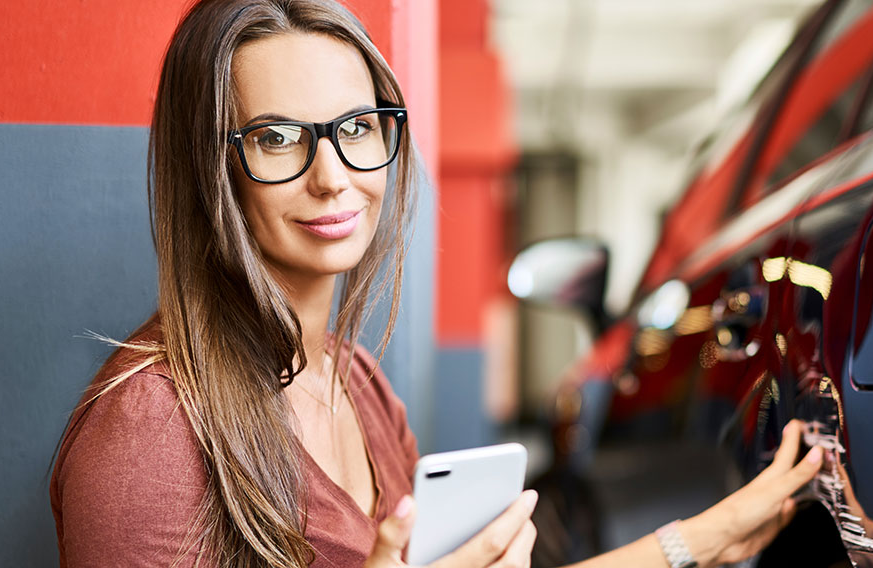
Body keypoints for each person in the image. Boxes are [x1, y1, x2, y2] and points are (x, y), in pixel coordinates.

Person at [49, 1, 824, 566]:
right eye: (277, 138)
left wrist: (703, 539)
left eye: (357, 129)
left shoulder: (358, 386)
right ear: (210, 168)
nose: (333, 177)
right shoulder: (150, 431)